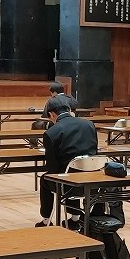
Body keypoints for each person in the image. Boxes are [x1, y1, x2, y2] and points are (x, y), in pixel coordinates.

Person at [36, 96, 98, 229]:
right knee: (73, 172)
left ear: (51, 114)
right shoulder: (89, 124)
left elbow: (52, 168)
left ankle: (46, 219)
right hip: (92, 181)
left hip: (68, 185)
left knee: (47, 178)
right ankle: (75, 218)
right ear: (69, 110)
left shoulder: (51, 132)